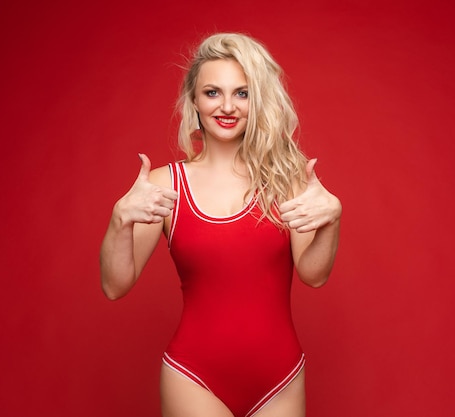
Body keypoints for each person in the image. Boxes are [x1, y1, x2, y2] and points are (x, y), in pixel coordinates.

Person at [100, 33, 342, 417]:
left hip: (280, 379)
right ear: (193, 100)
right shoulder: (166, 186)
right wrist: (119, 220)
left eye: (242, 94)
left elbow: (313, 275)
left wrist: (332, 220)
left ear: (258, 100)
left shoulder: (287, 181)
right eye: (213, 92)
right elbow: (115, 286)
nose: (227, 106)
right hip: (193, 377)